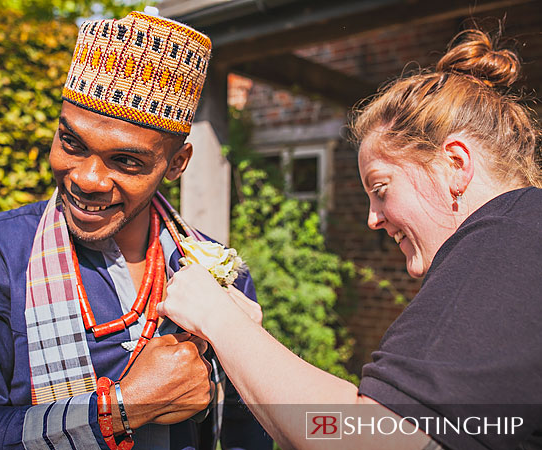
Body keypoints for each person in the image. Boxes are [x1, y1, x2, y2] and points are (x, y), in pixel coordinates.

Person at [157, 28, 542, 450]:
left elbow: (369, 437)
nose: (373, 219)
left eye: (380, 189)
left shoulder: (501, 242)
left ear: (454, 163)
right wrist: (248, 342)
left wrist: (219, 321)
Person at [0, 11, 272, 450]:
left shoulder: (219, 275)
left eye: (126, 161)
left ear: (176, 164)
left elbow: (248, 433)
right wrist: (122, 406)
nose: (87, 179)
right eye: (72, 143)